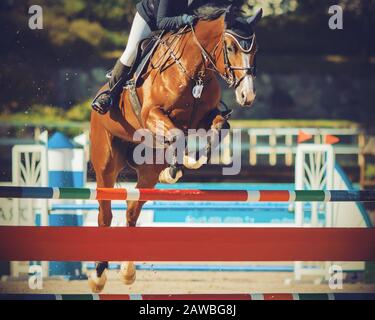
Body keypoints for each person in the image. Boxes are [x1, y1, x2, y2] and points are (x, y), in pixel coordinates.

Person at [92, 0, 198, 114]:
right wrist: (183, 19)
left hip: (173, 23)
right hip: (149, 18)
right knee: (131, 52)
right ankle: (109, 94)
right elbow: (161, 22)